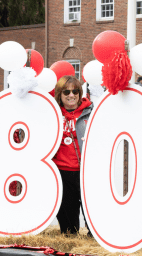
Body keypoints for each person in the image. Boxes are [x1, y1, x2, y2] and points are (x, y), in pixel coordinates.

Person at [52, 75, 93, 235]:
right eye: (66, 91)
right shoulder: (53, 114)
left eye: (75, 91)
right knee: (68, 223)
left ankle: (94, 241)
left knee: (92, 213)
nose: (71, 95)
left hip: (85, 171)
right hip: (62, 172)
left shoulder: (90, 112)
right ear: (59, 95)